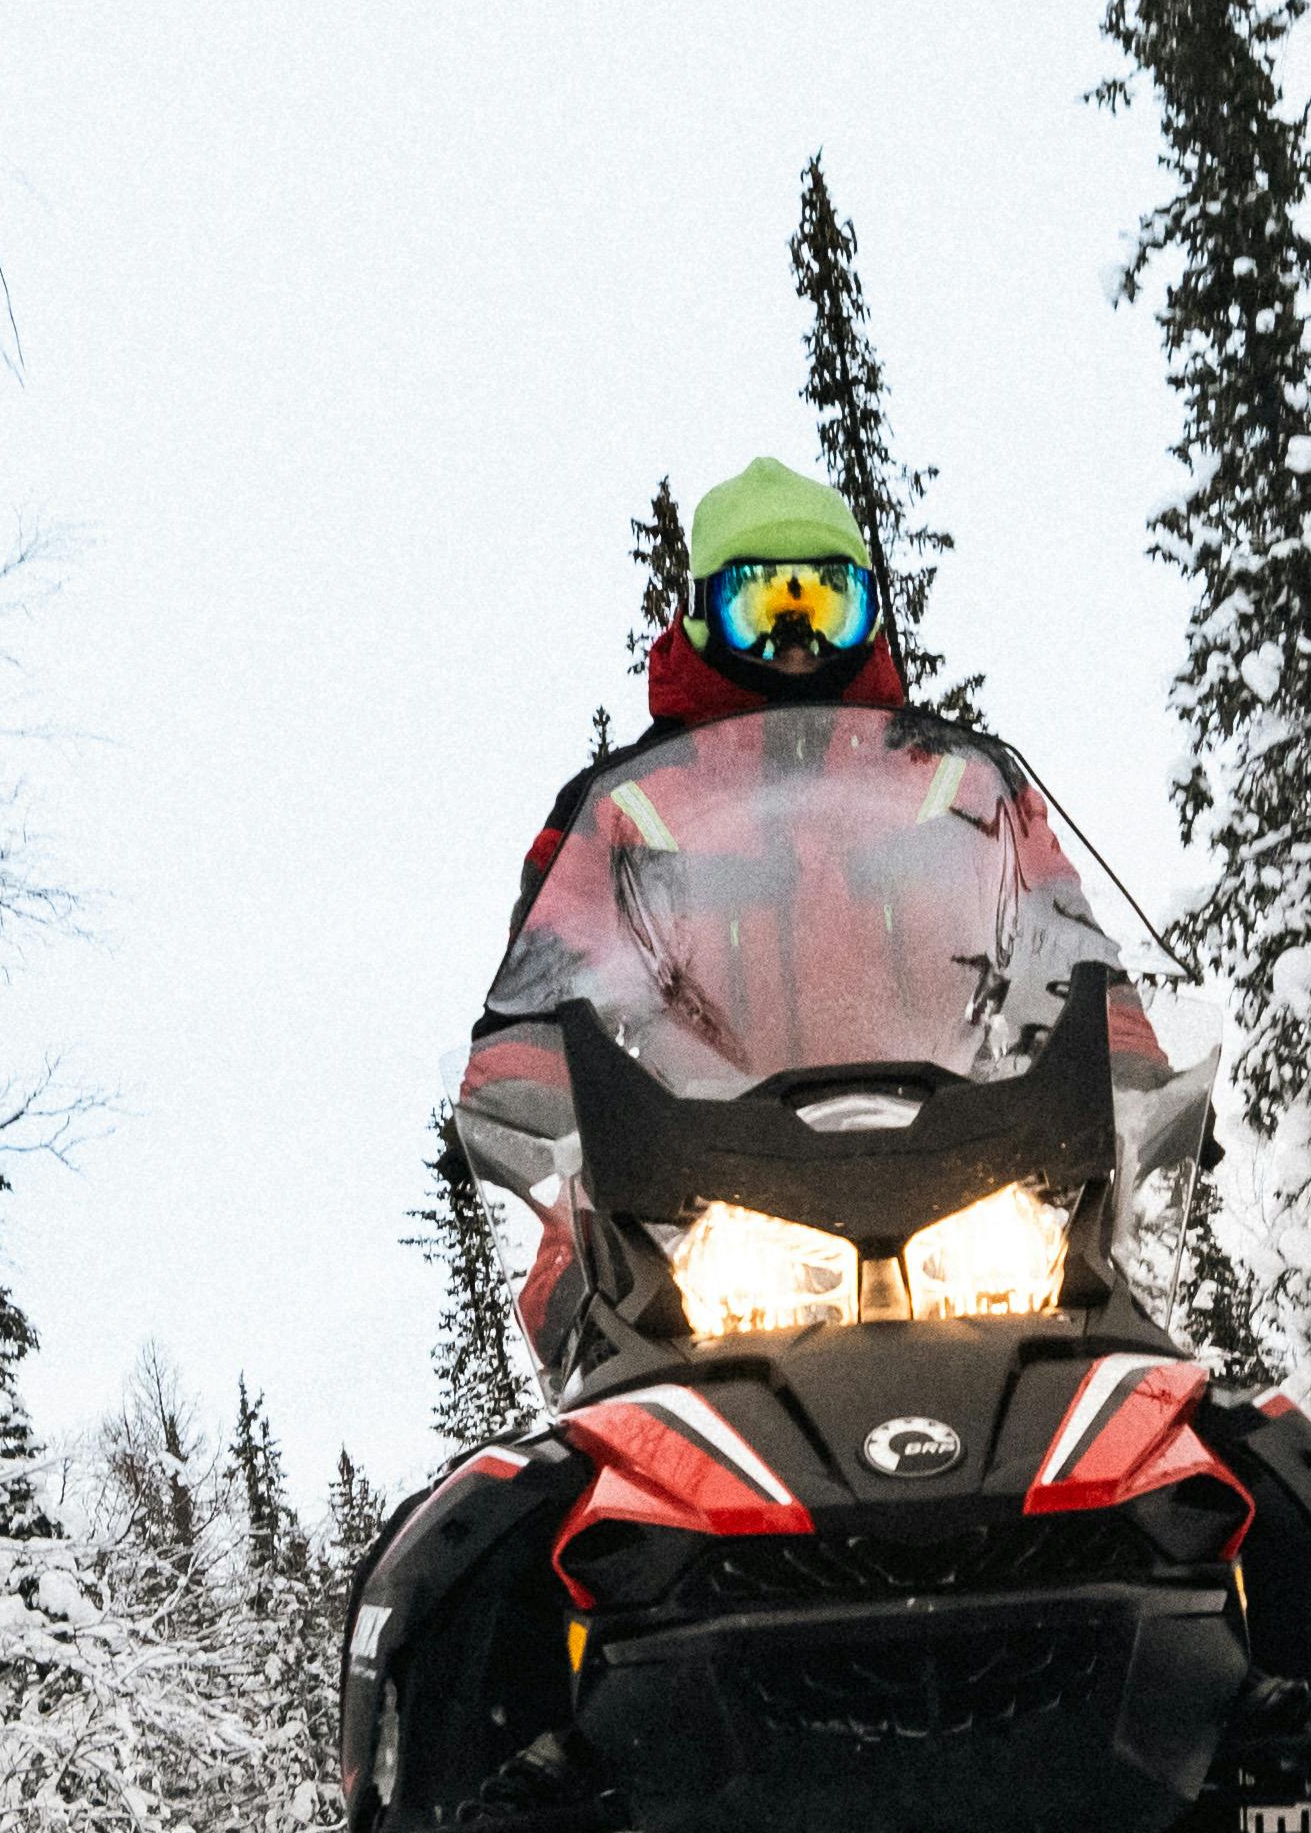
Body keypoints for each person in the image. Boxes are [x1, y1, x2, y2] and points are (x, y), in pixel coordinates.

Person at [439, 455, 1194, 1361]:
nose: (795, 636)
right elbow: (544, 985)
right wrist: (512, 1104)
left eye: (825, 600)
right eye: (761, 607)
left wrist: (1139, 1078)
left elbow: (1063, 945)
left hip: (964, 1179)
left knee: (1147, 1387)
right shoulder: (623, 811)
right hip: (702, 1212)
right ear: (699, 612)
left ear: (868, 610)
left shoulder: (954, 785)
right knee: (585, 1421)